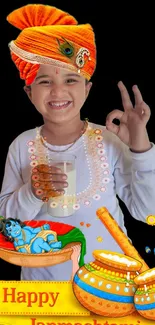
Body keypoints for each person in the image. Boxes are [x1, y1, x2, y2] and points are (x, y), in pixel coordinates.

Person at [0, 3, 155, 281]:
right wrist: (31, 192)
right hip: (44, 294)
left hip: (110, 286)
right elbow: (6, 225)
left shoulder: (109, 141)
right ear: (29, 92)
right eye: (45, 82)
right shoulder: (22, 146)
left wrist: (140, 148)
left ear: (87, 89)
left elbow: (149, 213)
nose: (58, 91)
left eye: (71, 79)